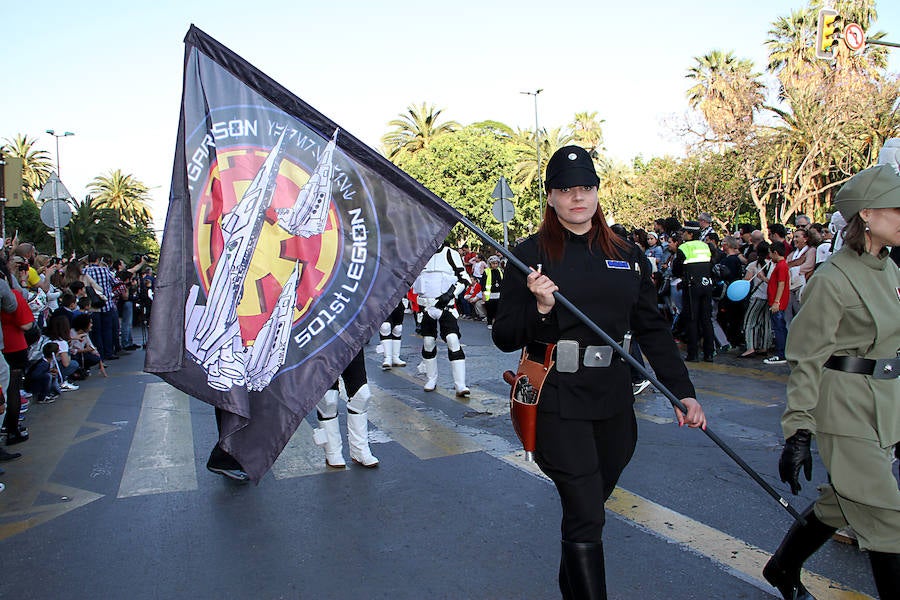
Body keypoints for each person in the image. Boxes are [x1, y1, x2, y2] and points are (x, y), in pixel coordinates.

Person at [492, 145, 706, 599]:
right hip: (556, 399)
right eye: (565, 190)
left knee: (587, 509)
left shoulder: (627, 254)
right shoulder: (527, 255)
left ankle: (571, 585)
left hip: (613, 400)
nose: (577, 197)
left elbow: (652, 329)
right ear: (550, 197)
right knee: (587, 511)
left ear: (596, 192)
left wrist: (682, 393)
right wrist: (541, 307)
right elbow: (505, 335)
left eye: (586, 187)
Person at [764, 163, 900, 600]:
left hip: (886, 403)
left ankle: (782, 568)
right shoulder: (832, 278)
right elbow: (806, 359)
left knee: (844, 500)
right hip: (844, 408)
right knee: (889, 520)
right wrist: (798, 431)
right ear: (867, 216)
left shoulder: (890, 269)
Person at [412, 243, 473, 397]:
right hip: (426, 307)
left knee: (452, 340)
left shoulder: (450, 254)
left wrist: (449, 294)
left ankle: (460, 384)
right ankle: (431, 378)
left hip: (446, 306)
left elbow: (464, 278)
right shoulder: (420, 253)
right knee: (428, 342)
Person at [312, 350, 379, 468]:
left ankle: (360, 449)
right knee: (328, 400)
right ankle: (332, 452)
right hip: (321, 341)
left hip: (350, 337)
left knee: (361, 395)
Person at [672, 221, 715, 362]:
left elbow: (677, 269)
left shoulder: (684, 247)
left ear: (690, 234)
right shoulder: (705, 246)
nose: (683, 234)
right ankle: (709, 353)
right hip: (707, 284)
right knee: (706, 319)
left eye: (684, 232)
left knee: (692, 319)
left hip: (692, 286)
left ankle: (693, 353)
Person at [763, 244, 790, 365]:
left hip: (778, 302)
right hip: (777, 301)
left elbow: (781, 284)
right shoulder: (781, 266)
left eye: (770, 253)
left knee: (779, 328)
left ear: (775, 252)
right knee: (779, 327)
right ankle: (782, 352)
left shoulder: (781, 266)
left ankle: (781, 353)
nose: (769, 255)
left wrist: (776, 302)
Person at [378, 300, 406, 370]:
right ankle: (387, 358)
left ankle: (395, 357)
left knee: (397, 329)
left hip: (398, 301)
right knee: (385, 327)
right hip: (382, 301)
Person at [482, 255, 503, 329]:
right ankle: (489, 322)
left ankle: (497, 323)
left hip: (499, 294)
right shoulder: (486, 271)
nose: (495, 265)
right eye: (493, 263)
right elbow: (483, 283)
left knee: (498, 310)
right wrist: (484, 294)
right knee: (490, 310)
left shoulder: (500, 271)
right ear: (490, 264)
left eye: (496, 263)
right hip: (489, 294)